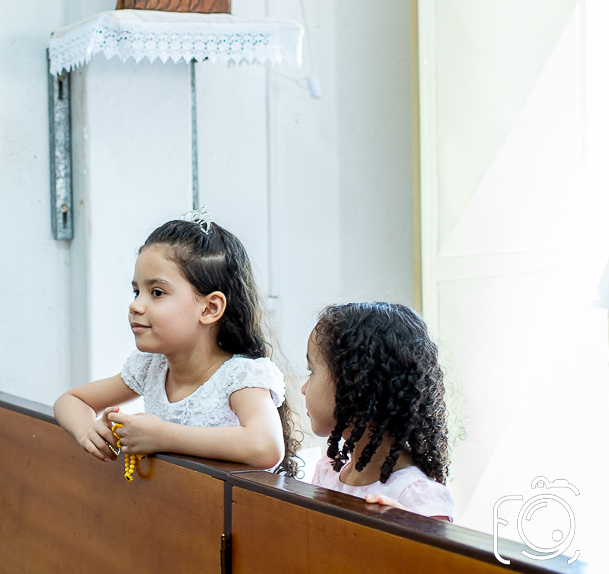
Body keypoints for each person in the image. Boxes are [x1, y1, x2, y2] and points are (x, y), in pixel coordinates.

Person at [54, 210, 298, 473]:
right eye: (137, 291)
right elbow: (70, 400)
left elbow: (266, 447)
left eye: (156, 292)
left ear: (209, 308)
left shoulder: (240, 377)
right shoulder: (151, 367)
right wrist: (88, 431)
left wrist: (162, 436)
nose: (135, 305)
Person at [302, 302, 454, 520]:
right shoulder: (328, 472)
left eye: (311, 371)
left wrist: (407, 530)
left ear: (356, 385)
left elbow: (437, 555)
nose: (303, 388)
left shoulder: (416, 496)